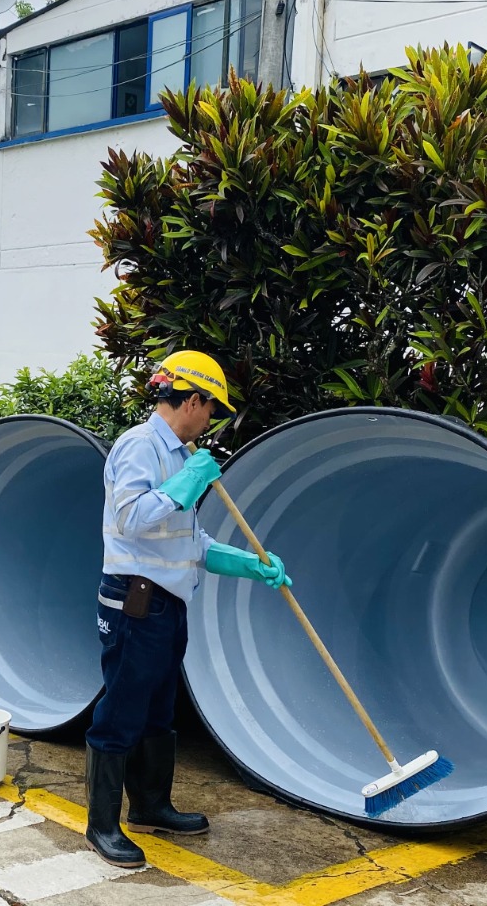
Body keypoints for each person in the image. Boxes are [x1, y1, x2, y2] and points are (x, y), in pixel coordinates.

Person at [86, 350, 291, 867]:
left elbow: (189, 543)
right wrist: (186, 484)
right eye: (212, 408)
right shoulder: (140, 446)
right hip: (134, 602)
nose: (211, 419)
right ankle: (102, 826)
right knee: (121, 711)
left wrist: (251, 564)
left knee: (159, 710)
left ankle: (150, 807)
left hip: (167, 606)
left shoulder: (181, 455)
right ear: (193, 400)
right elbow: (132, 518)